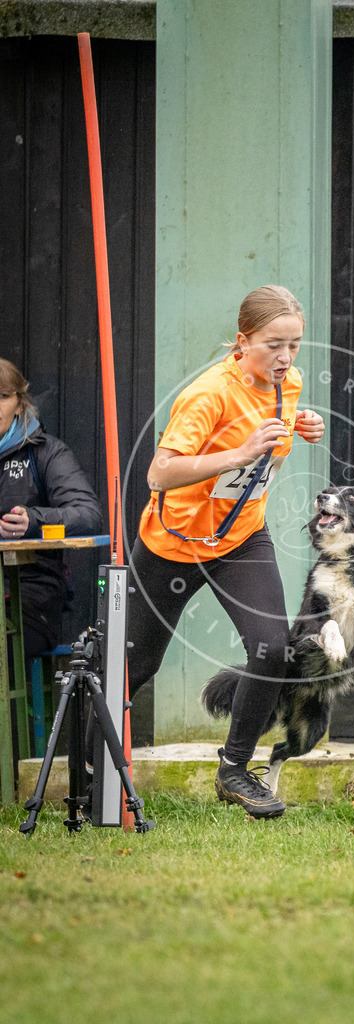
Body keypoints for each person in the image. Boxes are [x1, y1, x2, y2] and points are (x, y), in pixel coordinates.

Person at [125, 285, 324, 818]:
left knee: (273, 648)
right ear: (243, 341)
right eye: (272, 345)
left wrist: (302, 430)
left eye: (295, 345)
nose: (284, 358)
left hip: (240, 539)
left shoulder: (290, 383)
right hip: (174, 543)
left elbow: (264, 461)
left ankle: (236, 771)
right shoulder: (208, 393)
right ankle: (88, 764)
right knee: (135, 664)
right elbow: (158, 472)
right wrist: (240, 451)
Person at [0, 359, 103, 660]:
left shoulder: (46, 453)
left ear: (20, 404)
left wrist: (33, 520)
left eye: (3, 396)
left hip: (29, 597)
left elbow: (88, 515)